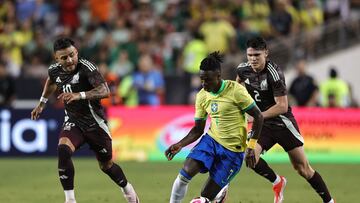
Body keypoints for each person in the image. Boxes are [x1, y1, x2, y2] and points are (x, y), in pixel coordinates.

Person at [30, 38, 139, 203]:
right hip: (73, 122)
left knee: (106, 166)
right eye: (64, 57)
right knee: (63, 149)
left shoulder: (86, 67)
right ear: (56, 59)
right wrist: (41, 104)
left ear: (77, 52)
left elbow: (105, 90)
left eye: (72, 55)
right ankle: (70, 200)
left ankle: (127, 188)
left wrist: (79, 95)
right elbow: (51, 82)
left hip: (95, 124)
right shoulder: (54, 70)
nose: (69, 60)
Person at [236, 37, 334, 203]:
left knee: (303, 169)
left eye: (257, 55)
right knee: (250, 156)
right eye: (250, 55)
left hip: (283, 123)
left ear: (266, 53)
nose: (252, 59)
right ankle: (277, 182)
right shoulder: (243, 69)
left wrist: (256, 115)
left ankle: (330, 201)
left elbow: (282, 106)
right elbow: (237, 84)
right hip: (264, 125)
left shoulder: (274, 73)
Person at [165, 51, 264, 203]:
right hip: (211, 141)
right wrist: (180, 144)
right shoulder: (202, 96)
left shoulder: (235, 91)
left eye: (208, 80)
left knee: (205, 196)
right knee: (184, 174)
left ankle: (219, 195)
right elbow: (198, 129)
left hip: (233, 152)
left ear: (218, 76)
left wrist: (251, 147)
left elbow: (258, 116)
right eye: (202, 79)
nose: (204, 84)